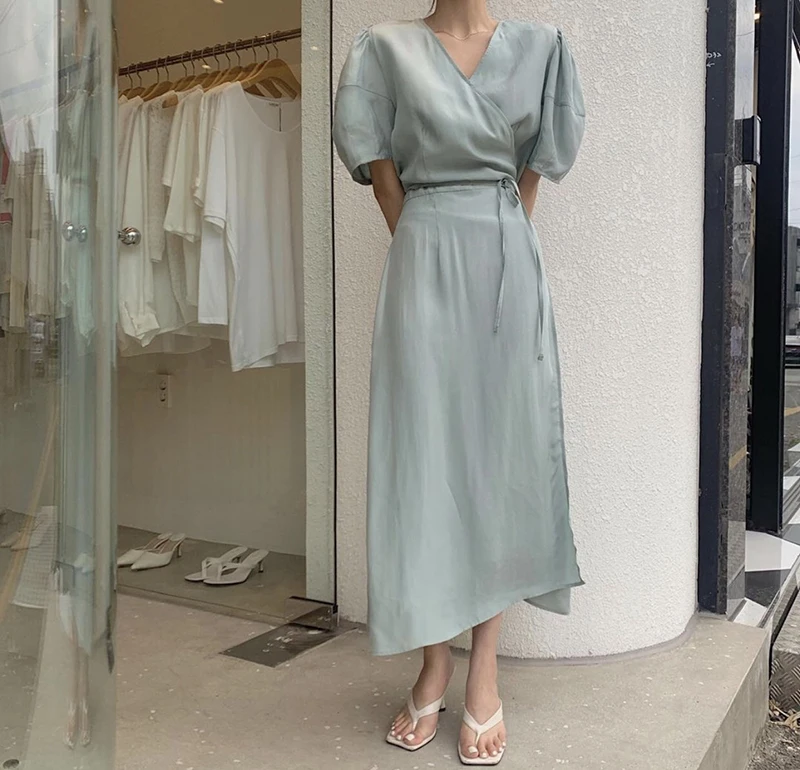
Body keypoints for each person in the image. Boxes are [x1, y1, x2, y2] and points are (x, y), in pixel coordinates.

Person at [333, 0, 585, 764]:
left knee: (497, 465)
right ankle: (433, 662)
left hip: (506, 265)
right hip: (423, 262)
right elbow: (384, 180)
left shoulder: (542, 50)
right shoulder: (383, 50)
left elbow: (529, 177)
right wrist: (431, 246)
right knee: (425, 462)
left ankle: (484, 669)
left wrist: (496, 238)